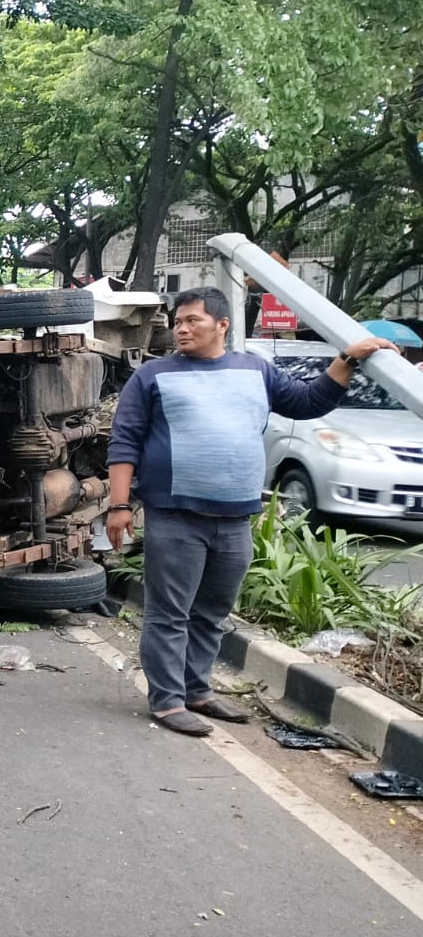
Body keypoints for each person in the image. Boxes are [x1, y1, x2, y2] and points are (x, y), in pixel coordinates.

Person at [106, 287, 397, 737]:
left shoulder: (255, 369)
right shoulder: (153, 376)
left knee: (212, 610)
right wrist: (119, 505)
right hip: (175, 513)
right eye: (178, 321)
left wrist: (349, 359)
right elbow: (123, 442)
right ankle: (166, 701)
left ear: (222, 325)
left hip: (235, 518)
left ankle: (197, 689)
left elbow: (307, 402)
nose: (181, 328)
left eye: (193, 321)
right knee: (169, 612)